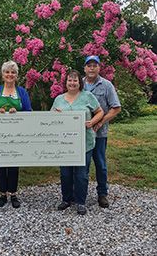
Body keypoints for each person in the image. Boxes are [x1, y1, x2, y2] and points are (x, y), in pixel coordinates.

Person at [51, 69, 104, 215]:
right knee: (65, 173)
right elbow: (50, 118)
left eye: (75, 80)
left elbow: (100, 112)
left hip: (84, 142)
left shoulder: (88, 96)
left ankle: (80, 201)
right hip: (64, 144)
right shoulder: (59, 99)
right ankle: (66, 199)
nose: (72, 83)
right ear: (66, 82)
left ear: (79, 83)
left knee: (82, 174)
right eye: (69, 80)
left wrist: (92, 122)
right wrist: (56, 116)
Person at [0, 60, 32, 208]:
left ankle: (13, 194)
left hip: (17, 135)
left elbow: (29, 112)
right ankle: (2, 194)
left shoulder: (22, 92)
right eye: (7, 72)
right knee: (0, 164)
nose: (10, 75)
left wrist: (17, 113)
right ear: (2, 74)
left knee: (13, 164)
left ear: (17, 75)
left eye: (13, 72)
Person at [83, 55, 121, 208]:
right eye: (89, 65)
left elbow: (116, 108)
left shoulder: (106, 85)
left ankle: (102, 194)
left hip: (99, 133)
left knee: (100, 164)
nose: (91, 68)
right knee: (82, 165)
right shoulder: (79, 84)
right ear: (84, 68)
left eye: (95, 65)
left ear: (99, 68)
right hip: (82, 134)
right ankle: (80, 194)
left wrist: (100, 121)